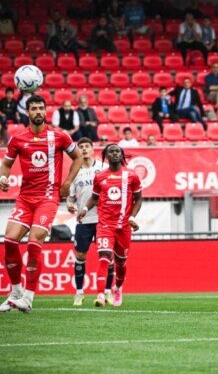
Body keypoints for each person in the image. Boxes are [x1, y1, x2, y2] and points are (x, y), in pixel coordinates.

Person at [0, 96, 82, 312]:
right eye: (34, 108)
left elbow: (78, 157)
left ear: (45, 111)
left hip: (47, 197)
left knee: (35, 240)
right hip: (25, 198)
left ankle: (28, 297)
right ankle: (16, 292)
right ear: (27, 112)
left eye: (41, 108)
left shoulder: (59, 136)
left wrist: (67, 183)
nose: (38, 111)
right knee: (9, 240)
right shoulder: (17, 139)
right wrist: (3, 178)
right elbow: (6, 165)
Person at [77, 144, 142, 307]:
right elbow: (94, 197)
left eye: (117, 151)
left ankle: (118, 288)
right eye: (111, 151)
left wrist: (133, 217)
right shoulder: (100, 177)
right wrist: (85, 209)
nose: (114, 154)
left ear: (122, 155)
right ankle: (100, 295)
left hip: (123, 227)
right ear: (106, 155)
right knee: (104, 258)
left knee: (121, 263)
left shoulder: (132, 176)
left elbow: (138, 199)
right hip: (105, 225)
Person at [66, 138, 110, 306]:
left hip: (104, 219)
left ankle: (107, 292)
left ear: (93, 149)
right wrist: (69, 205)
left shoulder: (104, 168)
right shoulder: (75, 171)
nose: (84, 149)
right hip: (84, 220)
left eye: (87, 147)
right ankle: (79, 293)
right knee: (80, 255)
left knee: (106, 255)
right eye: (81, 147)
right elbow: (69, 198)